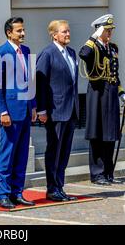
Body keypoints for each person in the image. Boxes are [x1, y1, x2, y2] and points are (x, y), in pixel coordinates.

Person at [79, 14, 125, 185]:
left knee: (110, 133)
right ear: (99, 30)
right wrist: (93, 36)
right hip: (97, 93)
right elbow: (83, 54)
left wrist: (122, 93)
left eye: (110, 30)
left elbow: (115, 75)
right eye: (106, 30)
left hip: (110, 93)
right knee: (97, 134)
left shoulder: (113, 48)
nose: (109, 33)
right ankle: (97, 174)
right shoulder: (93, 46)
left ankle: (108, 173)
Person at [0, 17, 37, 209]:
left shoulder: (26, 51)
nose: (23, 33)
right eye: (19, 31)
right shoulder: (0, 53)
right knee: (7, 155)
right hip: (10, 112)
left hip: (25, 111)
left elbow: (30, 80)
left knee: (22, 155)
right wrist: (2, 111)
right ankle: (2, 194)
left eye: (23, 30)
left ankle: (17, 192)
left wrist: (33, 105)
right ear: (9, 33)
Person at [36, 20, 80, 202]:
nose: (68, 34)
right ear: (54, 35)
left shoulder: (71, 53)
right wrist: (41, 110)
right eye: (64, 32)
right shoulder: (47, 54)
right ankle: (51, 188)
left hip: (70, 110)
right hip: (55, 110)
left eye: (68, 31)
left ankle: (60, 186)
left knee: (64, 152)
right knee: (54, 150)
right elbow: (40, 83)